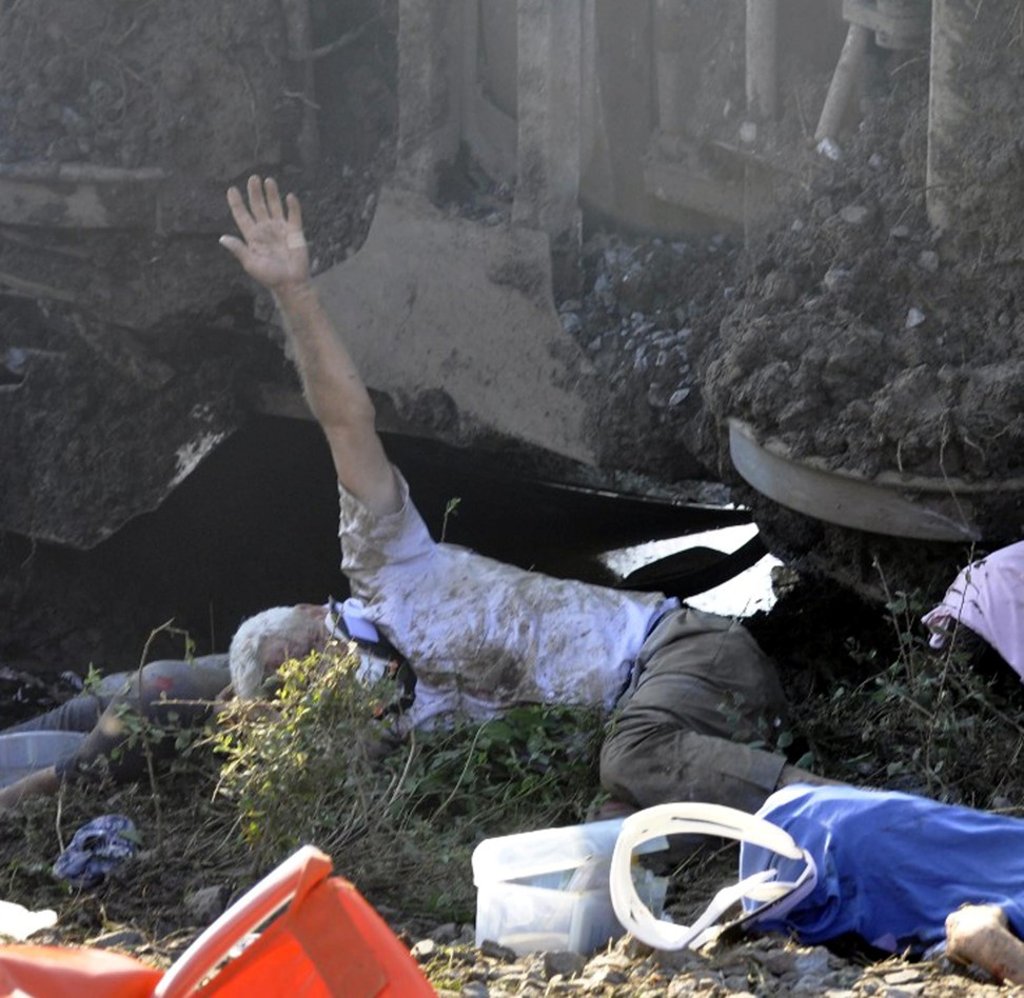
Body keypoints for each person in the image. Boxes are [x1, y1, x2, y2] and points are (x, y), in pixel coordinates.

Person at [218, 175, 826, 815]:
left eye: (309, 655)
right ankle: (780, 815)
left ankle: (848, 809)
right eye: (302, 687)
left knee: (632, 759)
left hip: (683, 658)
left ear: (320, 614)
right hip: (675, 726)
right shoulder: (393, 733)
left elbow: (345, 420)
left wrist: (295, 293)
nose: (320, 676)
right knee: (609, 829)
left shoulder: (387, 568)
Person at [0, 605, 328, 811]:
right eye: (315, 644)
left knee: (65, 720)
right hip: (155, 701)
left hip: (150, 681)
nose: (320, 647)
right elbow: (246, 715)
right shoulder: (322, 654)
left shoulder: (322, 617)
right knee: (75, 774)